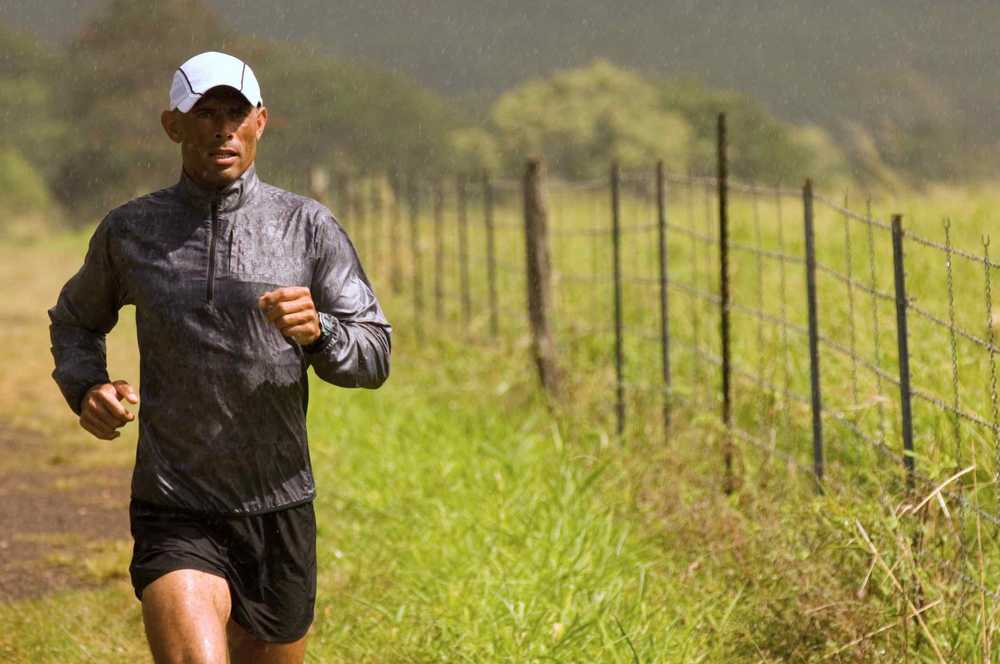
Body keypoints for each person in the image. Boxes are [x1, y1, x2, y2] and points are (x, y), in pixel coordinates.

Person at [48, 51, 391, 664]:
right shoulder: (131, 231)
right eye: (205, 112)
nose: (222, 128)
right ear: (171, 124)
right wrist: (87, 387)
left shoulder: (308, 227)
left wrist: (321, 334)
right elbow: (75, 321)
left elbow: (374, 353)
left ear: (261, 121)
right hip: (174, 505)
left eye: (236, 112)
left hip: (280, 507)